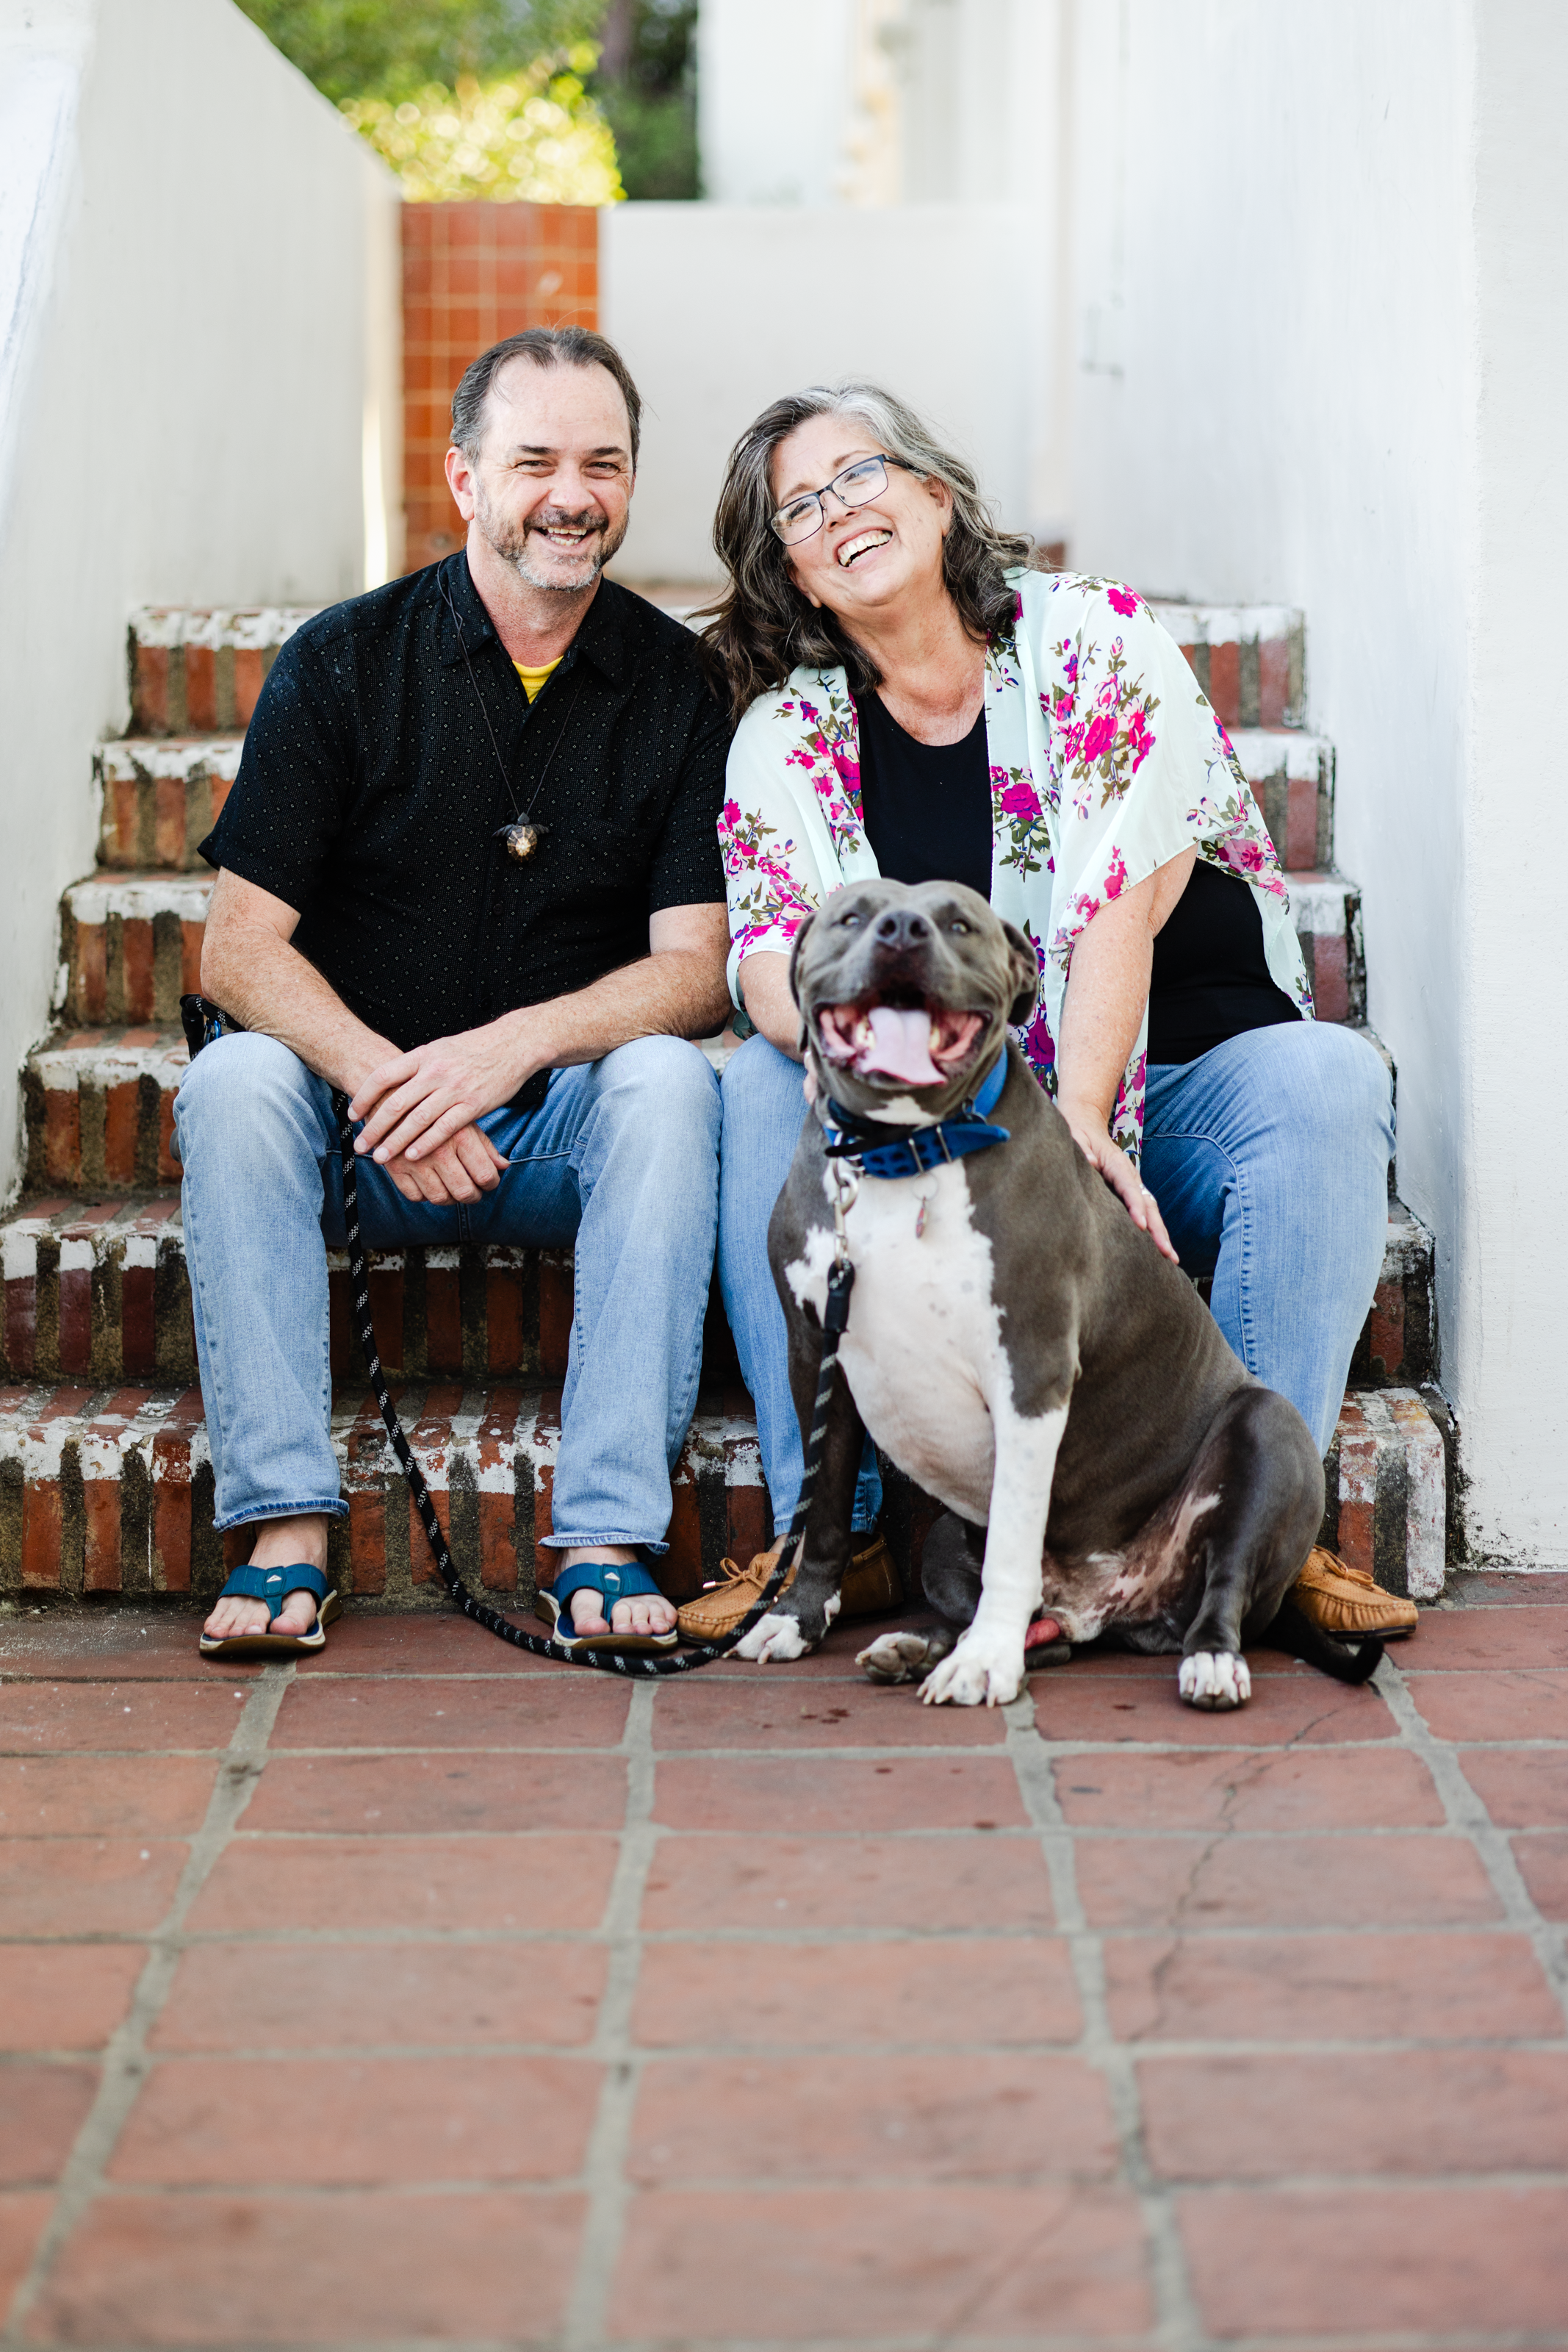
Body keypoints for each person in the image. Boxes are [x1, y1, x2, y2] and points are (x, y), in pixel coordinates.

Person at [702, 378, 1413, 1643]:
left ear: (932, 491)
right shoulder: (785, 737)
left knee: (1326, 1080)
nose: (838, 513)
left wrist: (1079, 1116)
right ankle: (837, 1538)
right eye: (800, 510)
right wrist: (821, 1050)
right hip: (944, 1130)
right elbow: (769, 952)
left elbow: (1114, 905)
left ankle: (1260, 1531)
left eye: (858, 475)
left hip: (1174, 1082)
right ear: (795, 576)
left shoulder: (1091, 636)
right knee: (759, 1086)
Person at [177, 327, 732, 1659]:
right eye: (534, 459)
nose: (571, 493)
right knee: (235, 1075)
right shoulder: (344, 661)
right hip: (353, 1130)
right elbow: (238, 951)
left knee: (666, 1079)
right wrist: (391, 1084)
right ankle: (283, 1535)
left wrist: (501, 1055)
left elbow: (699, 969)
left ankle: (602, 1540)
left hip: (547, 1128)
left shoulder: (676, 685)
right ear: (464, 478)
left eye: (603, 462)